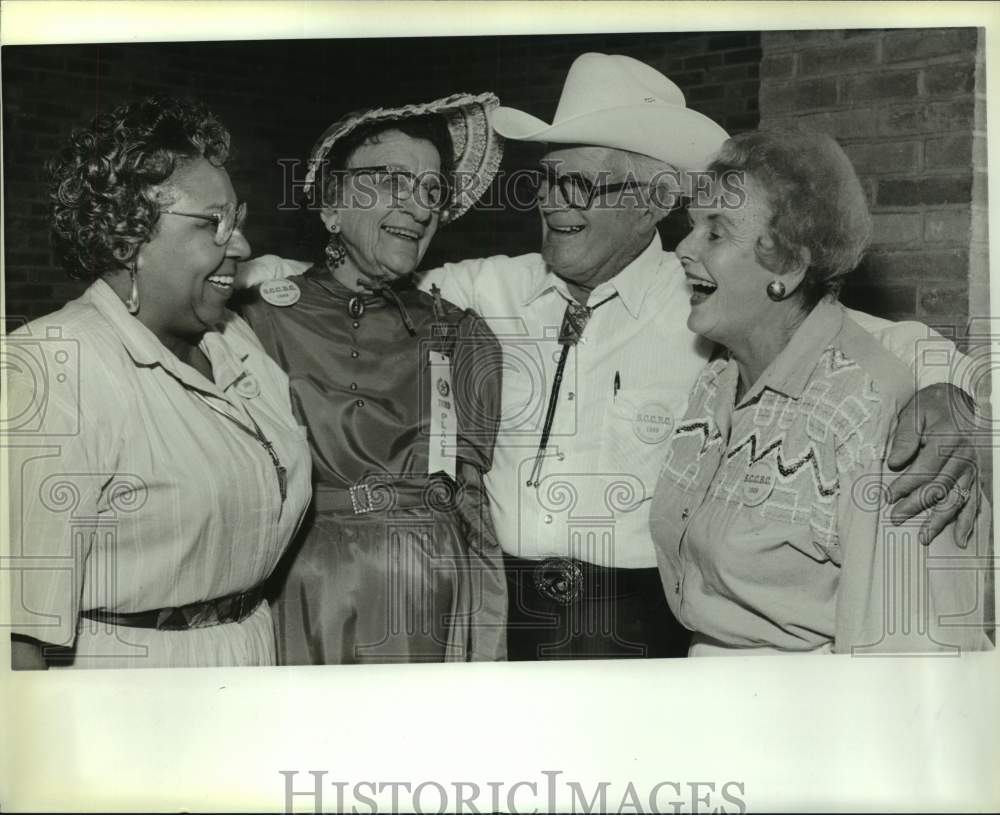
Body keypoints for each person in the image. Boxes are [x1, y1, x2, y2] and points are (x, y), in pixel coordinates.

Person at [239, 53, 983, 661]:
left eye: (581, 183)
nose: (553, 201)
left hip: (636, 632)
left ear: (656, 200)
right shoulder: (490, 289)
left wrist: (946, 396)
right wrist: (247, 272)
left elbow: (854, 335)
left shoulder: (706, 297)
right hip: (501, 619)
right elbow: (354, 280)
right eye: (547, 179)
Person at [649, 129, 990, 655]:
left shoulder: (878, 414)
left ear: (787, 264)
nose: (683, 248)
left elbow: (907, 656)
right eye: (693, 226)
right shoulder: (717, 376)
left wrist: (959, 398)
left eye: (716, 234)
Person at [8, 95, 312, 669]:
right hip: (132, 691)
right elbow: (14, 639)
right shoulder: (52, 369)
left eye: (237, 220)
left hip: (248, 658)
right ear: (127, 240)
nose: (241, 245)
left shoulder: (234, 343)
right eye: (212, 223)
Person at [240, 93, 507, 664]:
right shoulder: (258, 323)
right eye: (394, 182)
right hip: (302, 589)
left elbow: (476, 519)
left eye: (432, 190)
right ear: (332, 203)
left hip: (425, 597)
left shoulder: (461, 337)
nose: (419, 207)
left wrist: (486, 657)